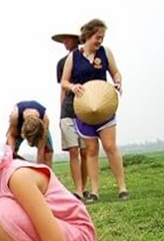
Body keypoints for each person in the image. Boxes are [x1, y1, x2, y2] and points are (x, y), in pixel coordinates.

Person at [60, 18, 128, 201]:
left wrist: (118, 82)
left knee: (110, 146)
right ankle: (95, 191)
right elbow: (64, 82)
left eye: (102, 37)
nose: (100, 41)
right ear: (88, 36)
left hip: (104, 107)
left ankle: (122, 187)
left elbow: (116, 72)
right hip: (84, 110)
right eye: (98, 37)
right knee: (91, 150)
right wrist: (73, 87)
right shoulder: (73, 56)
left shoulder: (106, 53)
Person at [53, 30, 89, 201]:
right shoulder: (61, 63)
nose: (65, 43)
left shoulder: (87, 60)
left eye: (67, 39)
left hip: (85, 108)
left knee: (85, 150)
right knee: (73, 150)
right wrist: (61, 111)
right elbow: (63, 87)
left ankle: (85, 186)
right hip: (68, 109)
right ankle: (78, 189)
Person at [5, 101, 54, 167]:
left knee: (48, 153)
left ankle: (48, 175)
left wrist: (40, 170)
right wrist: (11, 155)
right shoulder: (15, 116)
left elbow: (41, 149)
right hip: (18, 124)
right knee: (9, 153)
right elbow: (12, 135)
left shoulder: (45, 120)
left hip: (40, 126)